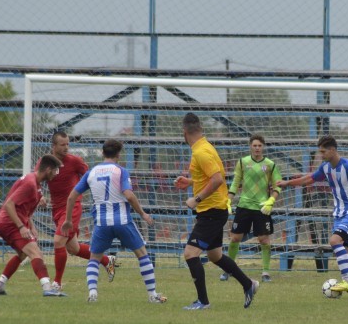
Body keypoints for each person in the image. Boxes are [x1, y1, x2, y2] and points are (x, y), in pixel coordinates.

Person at [277, 135, 348, 300]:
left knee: (334, 241)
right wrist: (287, 183)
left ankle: (347, 282)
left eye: (323, 151)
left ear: (333, 149)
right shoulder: (326, 167)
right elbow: (308, 179)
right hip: (341, 216)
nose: (321, 155)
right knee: (346, 255)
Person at [62, 139, 166, 303]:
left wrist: (68, 220)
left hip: (102, 224)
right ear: (119, 154)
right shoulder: (121, 171)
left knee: (94, 258)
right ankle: (152, 295)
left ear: (103, 153)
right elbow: (129, 195)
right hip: (122, 221)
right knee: (142, 255)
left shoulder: (91, 173)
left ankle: (93, 294)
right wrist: (143, 214)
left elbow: (71, 197)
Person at [175, 113, 259, 310]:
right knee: (215, 256)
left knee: (190, 254)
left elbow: (217, 180)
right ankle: (249, 285)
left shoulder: (201, 152)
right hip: (214, 209)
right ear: (200, 129)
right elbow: (211, 176)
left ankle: (203, 302)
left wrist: (196, 199)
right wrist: (190, 182)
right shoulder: (206, 147)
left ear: (184, 132)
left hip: (211, 211)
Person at [42, 131, 116, 292]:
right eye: (62, 145)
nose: (66, 147)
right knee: (73, 249)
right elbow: (36, 179)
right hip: (56, 208)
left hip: (72, 207)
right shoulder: (46, 162)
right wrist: (39, 195)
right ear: (53, 146)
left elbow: (92, 176)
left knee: (58, 241)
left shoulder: (74, 161)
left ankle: (57, 284)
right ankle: (106, 260)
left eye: (68, 144)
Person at [0, 155, 66, 297]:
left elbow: (23, 207)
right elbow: (9, 205)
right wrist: (21, 227)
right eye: (55, 171)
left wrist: (30, 225)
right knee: (35, 252)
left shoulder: (35, 182)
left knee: (23, 254)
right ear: (48, 169)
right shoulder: (30, 184)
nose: (56, 174)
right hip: (9, 223)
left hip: (7, 222)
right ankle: (47, 288)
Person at [220, 134, 282, 283]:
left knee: (264, 240)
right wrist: (228, 200)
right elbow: (235, 183)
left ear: (263, 147)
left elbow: (277, 186)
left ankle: (265, 272)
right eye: (254, 145)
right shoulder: (242, 162)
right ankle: (228, 270)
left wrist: (271, 200)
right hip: (244, 205)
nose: (257, 148)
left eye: (260, 146)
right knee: (235, 238)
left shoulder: (270, 165)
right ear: (250, 146)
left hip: (262, 207)